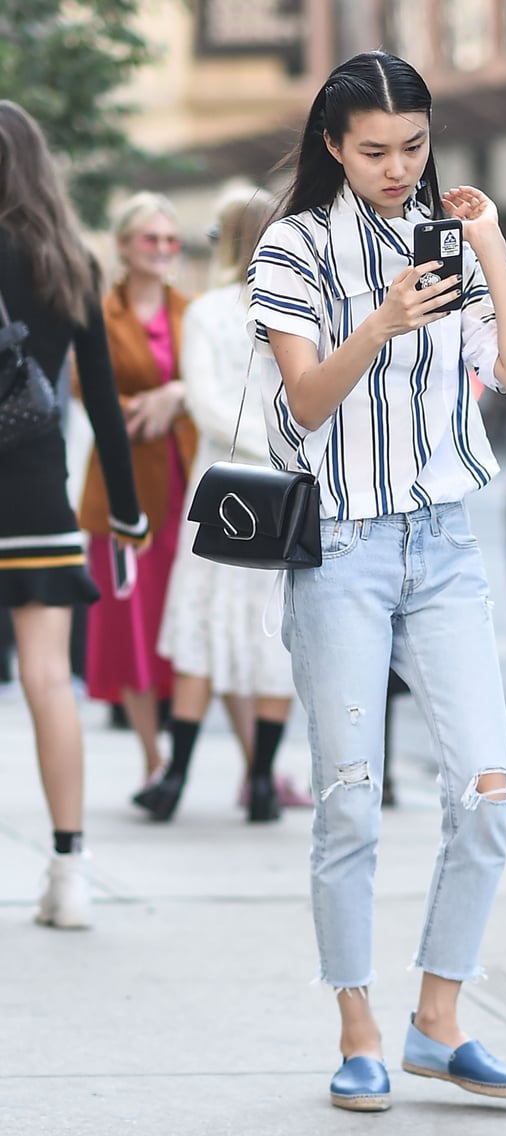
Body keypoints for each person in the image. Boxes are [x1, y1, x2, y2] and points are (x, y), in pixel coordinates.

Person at [247, 51, 506, 1111]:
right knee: (350, 803)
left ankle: (439, 1018)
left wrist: (491, 246)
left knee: (488, 790)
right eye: (373, 149)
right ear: (332, 144)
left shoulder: (446, 238)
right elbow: (308, 400)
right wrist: (378, 322)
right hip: (342, 547)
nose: (396, 167)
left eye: (413, 146)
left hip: (443, 540)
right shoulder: (295, 247)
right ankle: (359, 1028)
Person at [0, 101, 148, 928]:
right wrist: (124, 516)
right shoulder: (71, 263)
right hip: (37, 499)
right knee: (51, 681)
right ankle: (69, 872)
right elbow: (106, 409)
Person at [136, 184, 310, 823]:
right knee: (271, 635)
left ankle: (175, 778)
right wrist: (285, 446)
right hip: (288, 487)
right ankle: (260, 781)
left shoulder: (207, 311)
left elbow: (206, 403)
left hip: (225, 488)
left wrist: (252, 448)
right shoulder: (299, 305)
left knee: (202, 630)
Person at [76, 192, 197, 791]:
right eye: (150, 239)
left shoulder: (190, 311)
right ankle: (153, 759)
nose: (162, 250)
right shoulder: (100, 314)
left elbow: (215, 378)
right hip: (123, 496)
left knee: (188, 620)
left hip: (185, 487)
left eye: (170, 239)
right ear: (124, 246)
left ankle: (192, 754)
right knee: (133, 626)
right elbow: (82, 386)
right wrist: (138, 406)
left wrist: (174, 394)